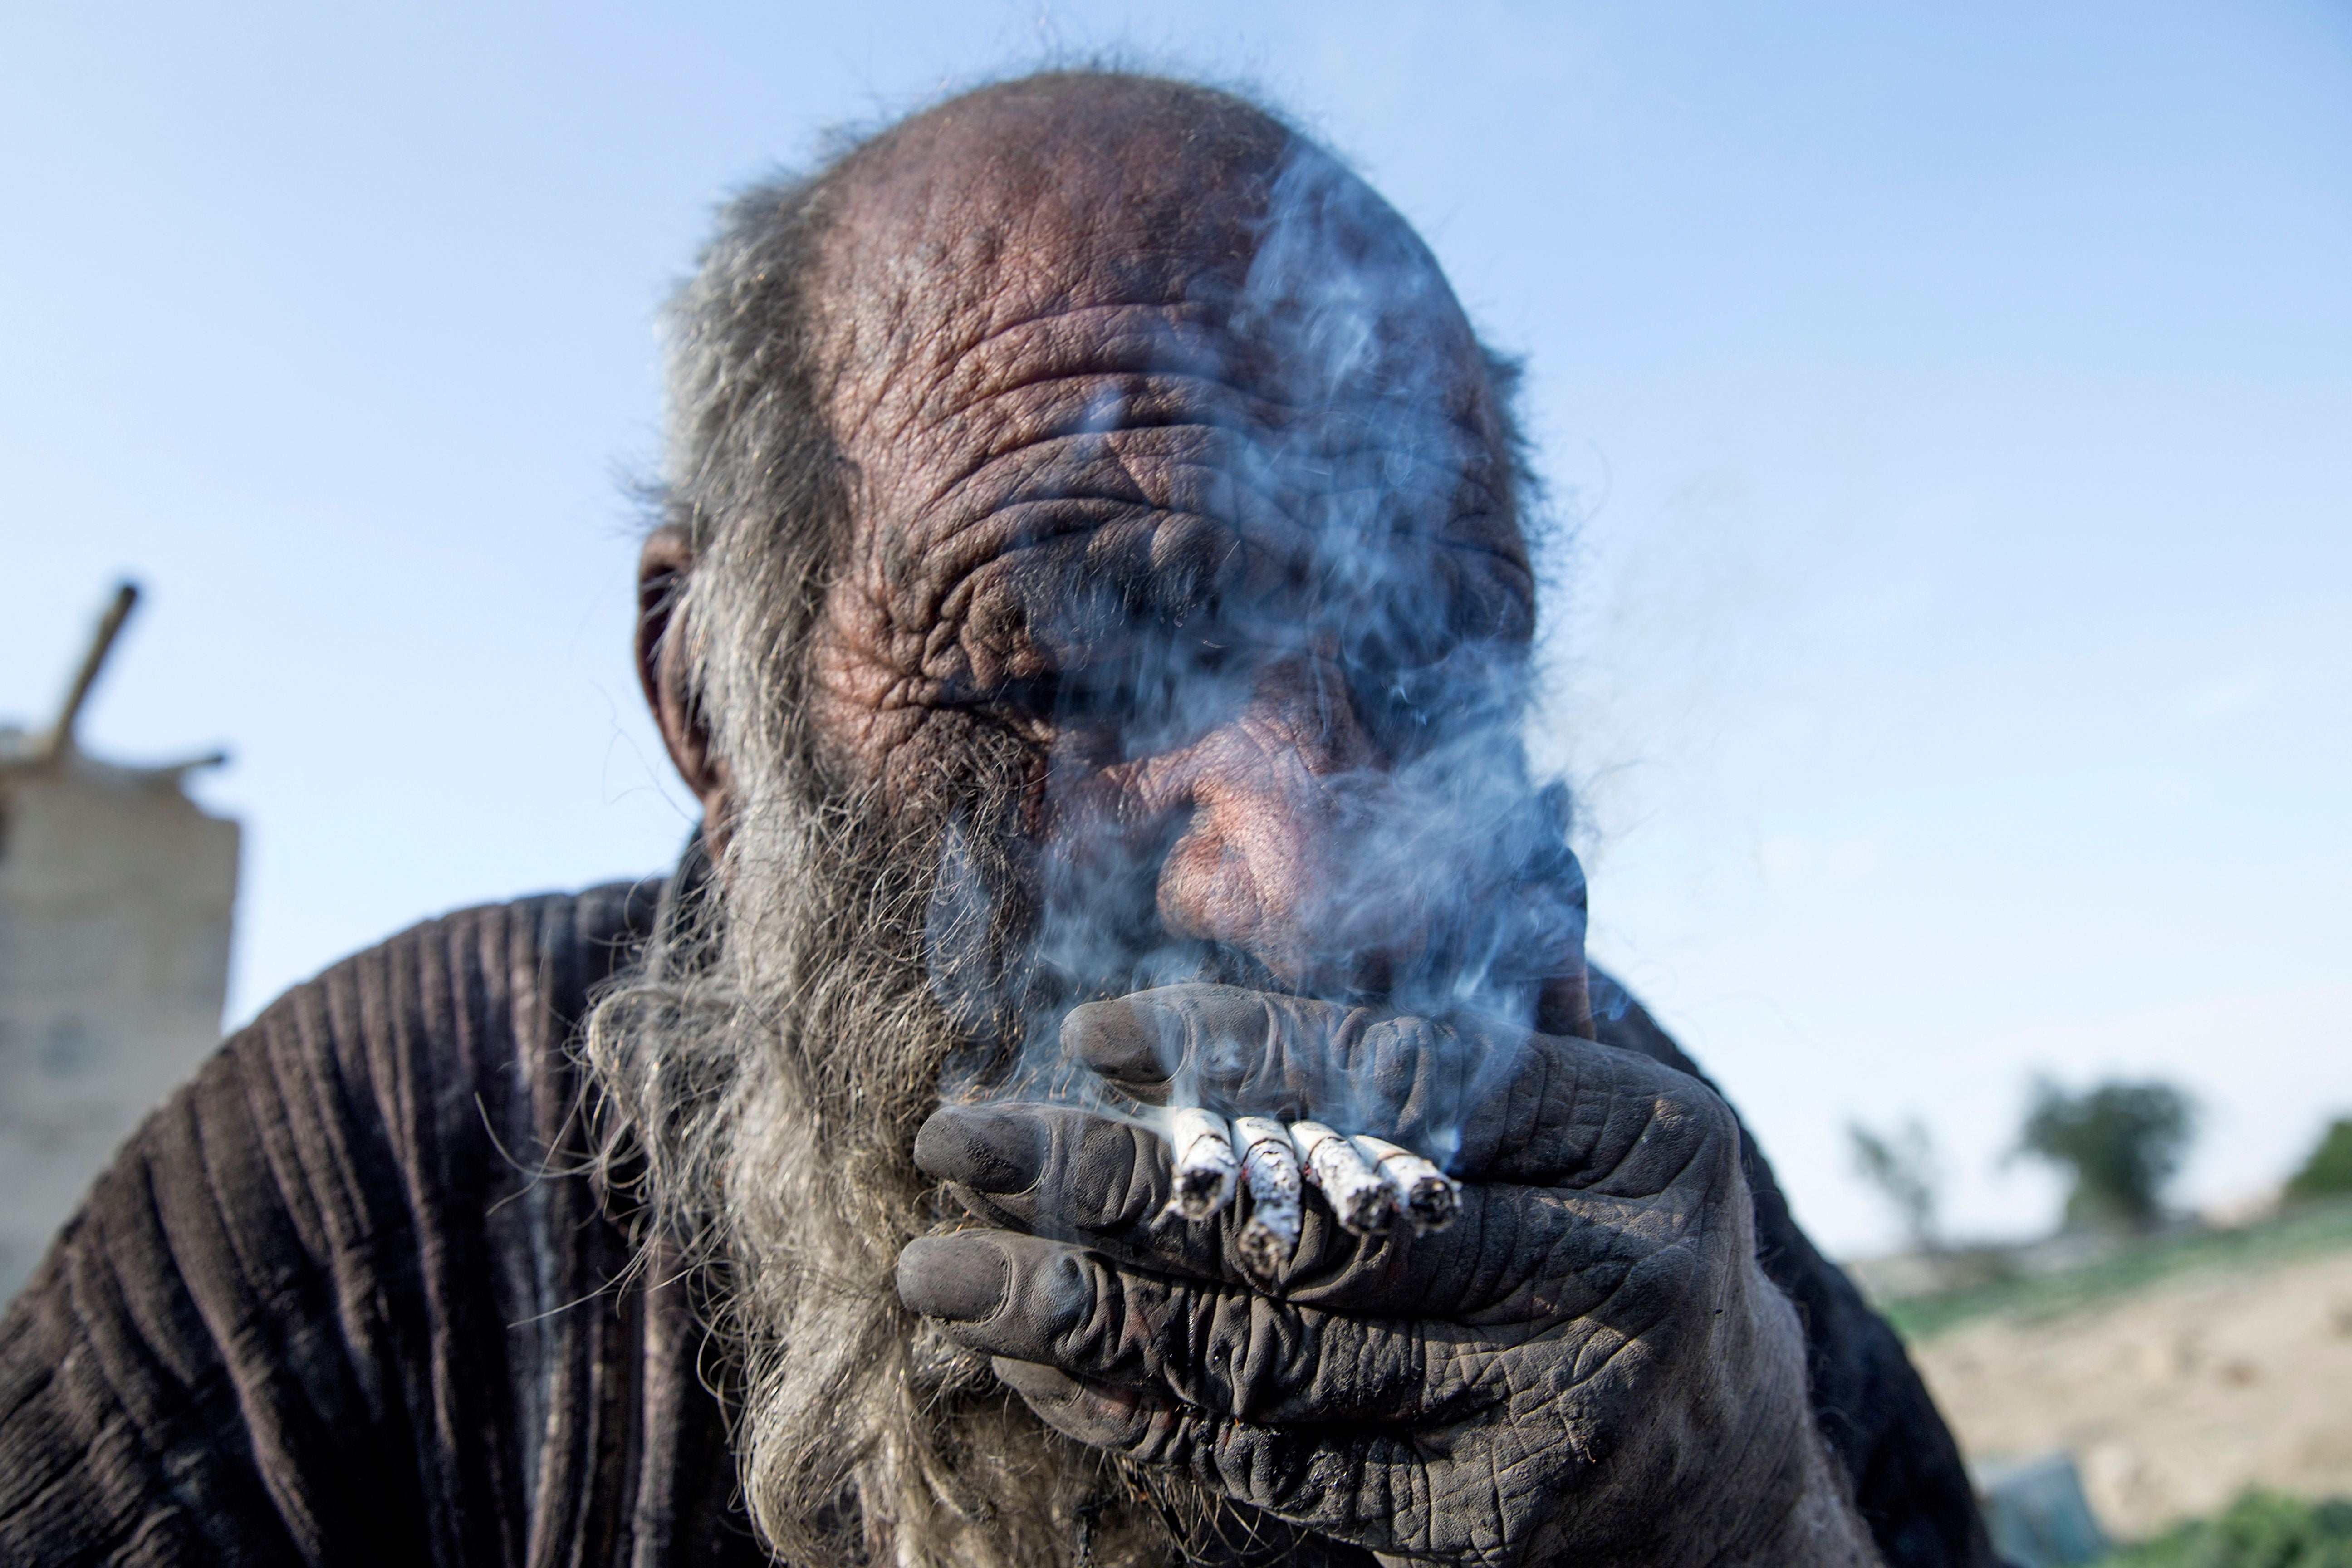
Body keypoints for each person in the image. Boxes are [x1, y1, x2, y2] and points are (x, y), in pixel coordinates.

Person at [0, 71, 1997, 1568]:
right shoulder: (389, 1180)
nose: (1294, 892)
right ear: (714, 700)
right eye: (1065, 647)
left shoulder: (1619, 1197)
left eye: (1426, 653)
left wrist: (1741, 1521)